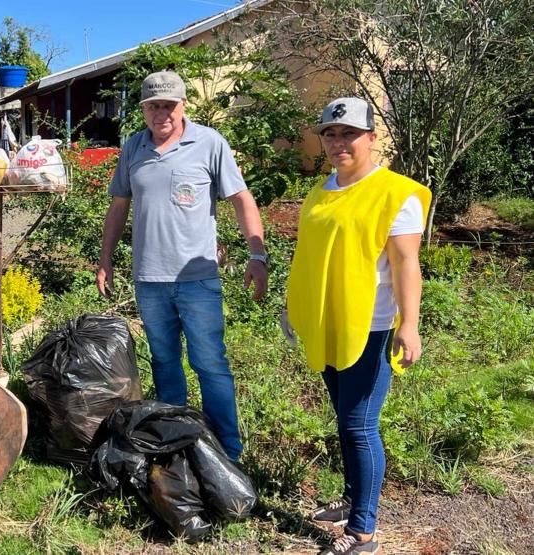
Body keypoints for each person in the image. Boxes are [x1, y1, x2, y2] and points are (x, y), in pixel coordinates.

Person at [284, 98, 431, 555]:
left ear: (371, 138)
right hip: (328, 323)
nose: (338, 142)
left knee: (360, 424)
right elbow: (308, 257)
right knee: (345, 421)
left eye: (349, 133)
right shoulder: (321, 191)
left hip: (371, 326)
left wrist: (410, 324)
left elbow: (407, 264)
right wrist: (294, 308)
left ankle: (363, 530)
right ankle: (351, 499)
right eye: (330, 134)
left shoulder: (395, 193)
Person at [97, 70, 268, 462]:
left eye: (169, 105)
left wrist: (256, 255)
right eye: (153, 105)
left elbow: (242, 200)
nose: (162, 113)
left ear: (183, 105)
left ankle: (228, 452)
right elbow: (118, 206)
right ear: (143, 109)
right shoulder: (133, 148)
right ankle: (176, 445)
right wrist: (105, 259)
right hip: (149, 280)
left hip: (198, 279)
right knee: (165, 361)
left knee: (210, 362)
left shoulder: (209, 143)